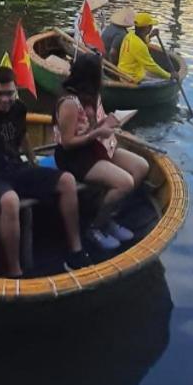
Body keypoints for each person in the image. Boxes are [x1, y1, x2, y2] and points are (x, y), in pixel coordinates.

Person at [0, 66, 89, 277]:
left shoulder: (19, 108)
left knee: (67, 181)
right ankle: (14, 271)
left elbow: (24, 136)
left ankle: (76, 250)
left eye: (10, 93)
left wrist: (32, 161)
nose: (5, 99)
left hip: (14, 166)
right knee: (10, 201)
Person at [54, 51, 150, 252]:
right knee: (125, 182)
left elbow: (95, 123)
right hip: (75, 155)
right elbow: (67, 142)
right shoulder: (70, 103)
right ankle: (95, 227)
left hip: (97, 145)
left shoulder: (93, 95)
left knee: (141, 167)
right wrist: (97, 132)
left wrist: (111, 123)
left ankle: (109, 216)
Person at [118, 12, 173, 83]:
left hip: (124, 71)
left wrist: (150, 36)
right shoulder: (140, 46)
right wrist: (169, 76)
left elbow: (141, 40)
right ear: (147, 27)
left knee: (154, 74)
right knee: (163, 80)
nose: (151, 27)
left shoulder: (130, 34)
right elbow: (151, 66)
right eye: (150, 26)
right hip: (131, 78)